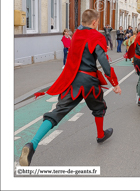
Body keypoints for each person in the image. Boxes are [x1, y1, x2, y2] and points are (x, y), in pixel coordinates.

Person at [19, 9, 122, 166]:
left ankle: (32, 144)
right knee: (99, 107)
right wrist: (115, 83)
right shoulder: (96, 36)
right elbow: (104, 62)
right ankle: (100, 135)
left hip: (73, 80)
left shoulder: (76, 35)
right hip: (89, 82)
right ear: (95, 22)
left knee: (57, 112)